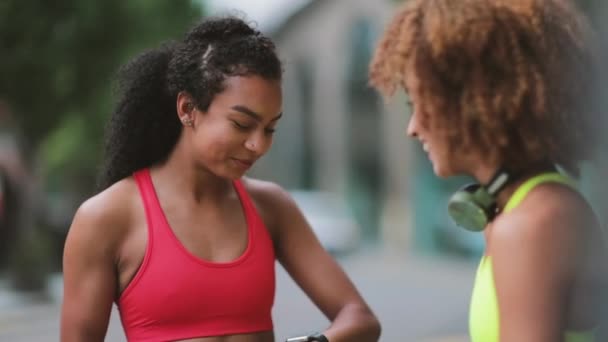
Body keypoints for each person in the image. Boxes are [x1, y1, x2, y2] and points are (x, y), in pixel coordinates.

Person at [60, 16, 381, 342]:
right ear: (187, 109)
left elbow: (360, 319)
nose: (258, 145)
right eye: (242, 124)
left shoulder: (271, 207)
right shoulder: (105, 218)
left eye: (270, 129)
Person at [369, 0, 607, 341]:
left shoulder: (532, 224)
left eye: (418, 102)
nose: (412, 127)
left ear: (472, 98)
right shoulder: (521, 207)